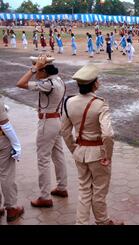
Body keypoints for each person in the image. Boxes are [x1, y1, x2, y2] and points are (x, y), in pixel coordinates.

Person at [61, 64, 123, 225]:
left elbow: (65, 131)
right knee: (99, 191)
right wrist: (107, 155)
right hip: (98, 153)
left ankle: (81, 223)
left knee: (84, 190)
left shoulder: (69, 102)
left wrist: (75, 149)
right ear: (94, 83)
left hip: (80, 152)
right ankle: (102, 222)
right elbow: (108, 134)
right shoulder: (100, 104)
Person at [16, 56, 68, 208]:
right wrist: (37, 66)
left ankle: (45, 197)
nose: (36, 73)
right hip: (57, 121)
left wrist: (33, 69)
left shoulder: (48, 84)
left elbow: (21, 83)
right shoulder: (58, 80)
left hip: (47, 122)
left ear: (44, 71)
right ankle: (62, 187)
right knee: (58, 156)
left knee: (43, 159)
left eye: (38, 70)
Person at [0, 96, 24, 222]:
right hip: (1, 140)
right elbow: (5, 124)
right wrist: (16, 144)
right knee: (6, 174)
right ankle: (11, 208)